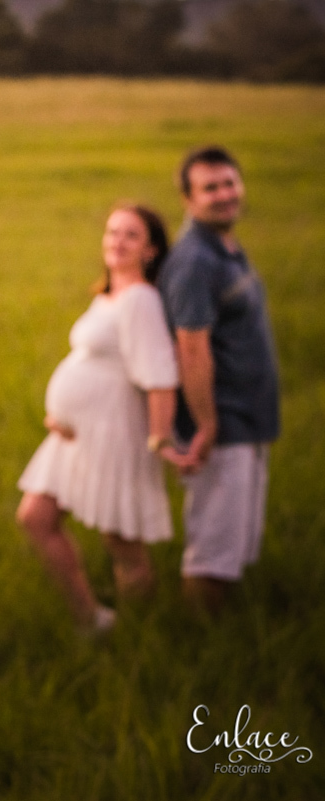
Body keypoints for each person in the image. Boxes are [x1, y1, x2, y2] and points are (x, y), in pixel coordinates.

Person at [17, 204, 187, 631]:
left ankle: (145, 636)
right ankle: (90, 619)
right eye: (112, 232)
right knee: (36, 518)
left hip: (114, 435)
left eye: (131, 235)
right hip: (75, 436)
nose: (117, 241)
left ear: (150, 250)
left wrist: (161, 440)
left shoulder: (140, 301)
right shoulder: (109, 294)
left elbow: (160, 378)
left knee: (122, 543)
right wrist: (61, 413)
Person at [158, 146, 279, 614]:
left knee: (233, 549)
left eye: (230, 183)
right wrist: (206, 426)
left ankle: (221, 631)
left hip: (247, 421)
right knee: (212, 554)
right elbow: (191, 348)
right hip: (221, 426)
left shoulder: (225, 245)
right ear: (188, 200)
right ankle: (197, 651)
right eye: (210, 188)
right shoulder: (193, 262)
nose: (224, 195)